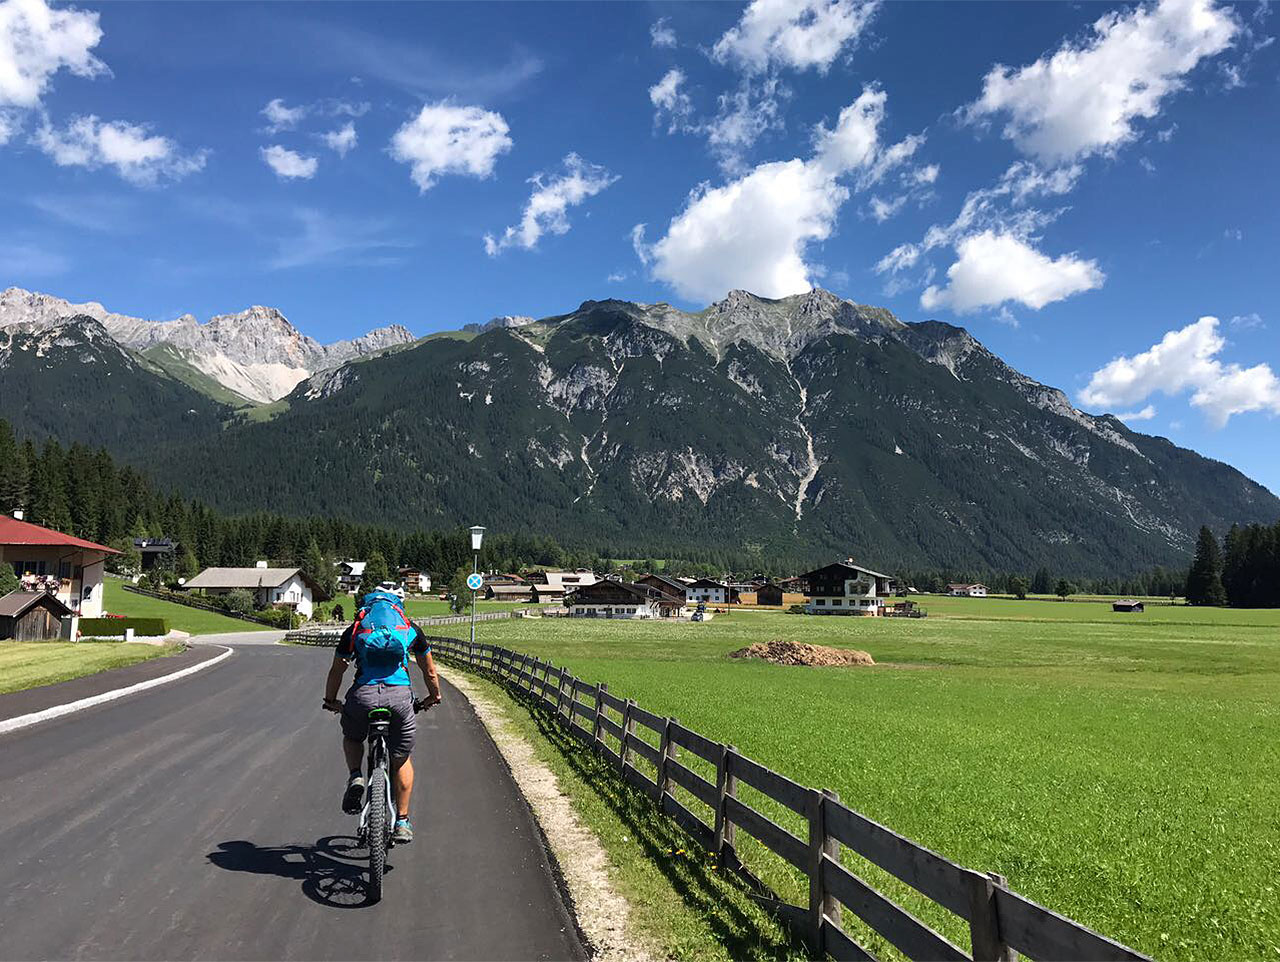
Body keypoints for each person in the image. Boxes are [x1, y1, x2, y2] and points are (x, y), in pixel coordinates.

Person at [322, 588, 441, 843]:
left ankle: (356, 775)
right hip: (399, 699)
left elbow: (336, 671)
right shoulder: (409, 628)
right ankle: (402, 821)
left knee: (353, 737)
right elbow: (429, 671)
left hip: (362, 696)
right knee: (401, 758)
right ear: (398, 607)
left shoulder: (356, 629)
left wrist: (331, 700)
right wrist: (434, 697)